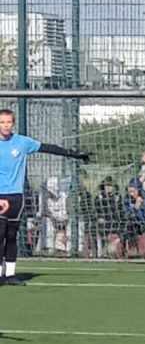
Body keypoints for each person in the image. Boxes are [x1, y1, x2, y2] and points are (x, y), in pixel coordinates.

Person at [0, 108, 90, 285]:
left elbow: (48, 148)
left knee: (11, 235)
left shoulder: (22, 142)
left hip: (16, 196)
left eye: (9, 122)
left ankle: (10, 275)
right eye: (2, 122)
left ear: (13, 123)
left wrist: (73, 154)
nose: (5, 125)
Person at [118, 182, 145, 258]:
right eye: (129, 192)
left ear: (138, 190)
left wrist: (142, 208)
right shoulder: (127, 200)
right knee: (129, 226)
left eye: (133, 191)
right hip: (134, 224)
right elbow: (127, 215)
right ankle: (130, 251)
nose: (131, 194)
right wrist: (136, 208)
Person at [94, 177, 124, 259]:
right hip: (103, 222)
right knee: (100, 227)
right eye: (106, 185)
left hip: (115, 222)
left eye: (110, 186)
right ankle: (101, 252)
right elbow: (96, 210)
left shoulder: (117, 197)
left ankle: (114, 249)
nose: (108, 187)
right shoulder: (99, 197)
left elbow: (119, 211)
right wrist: (99, 217)